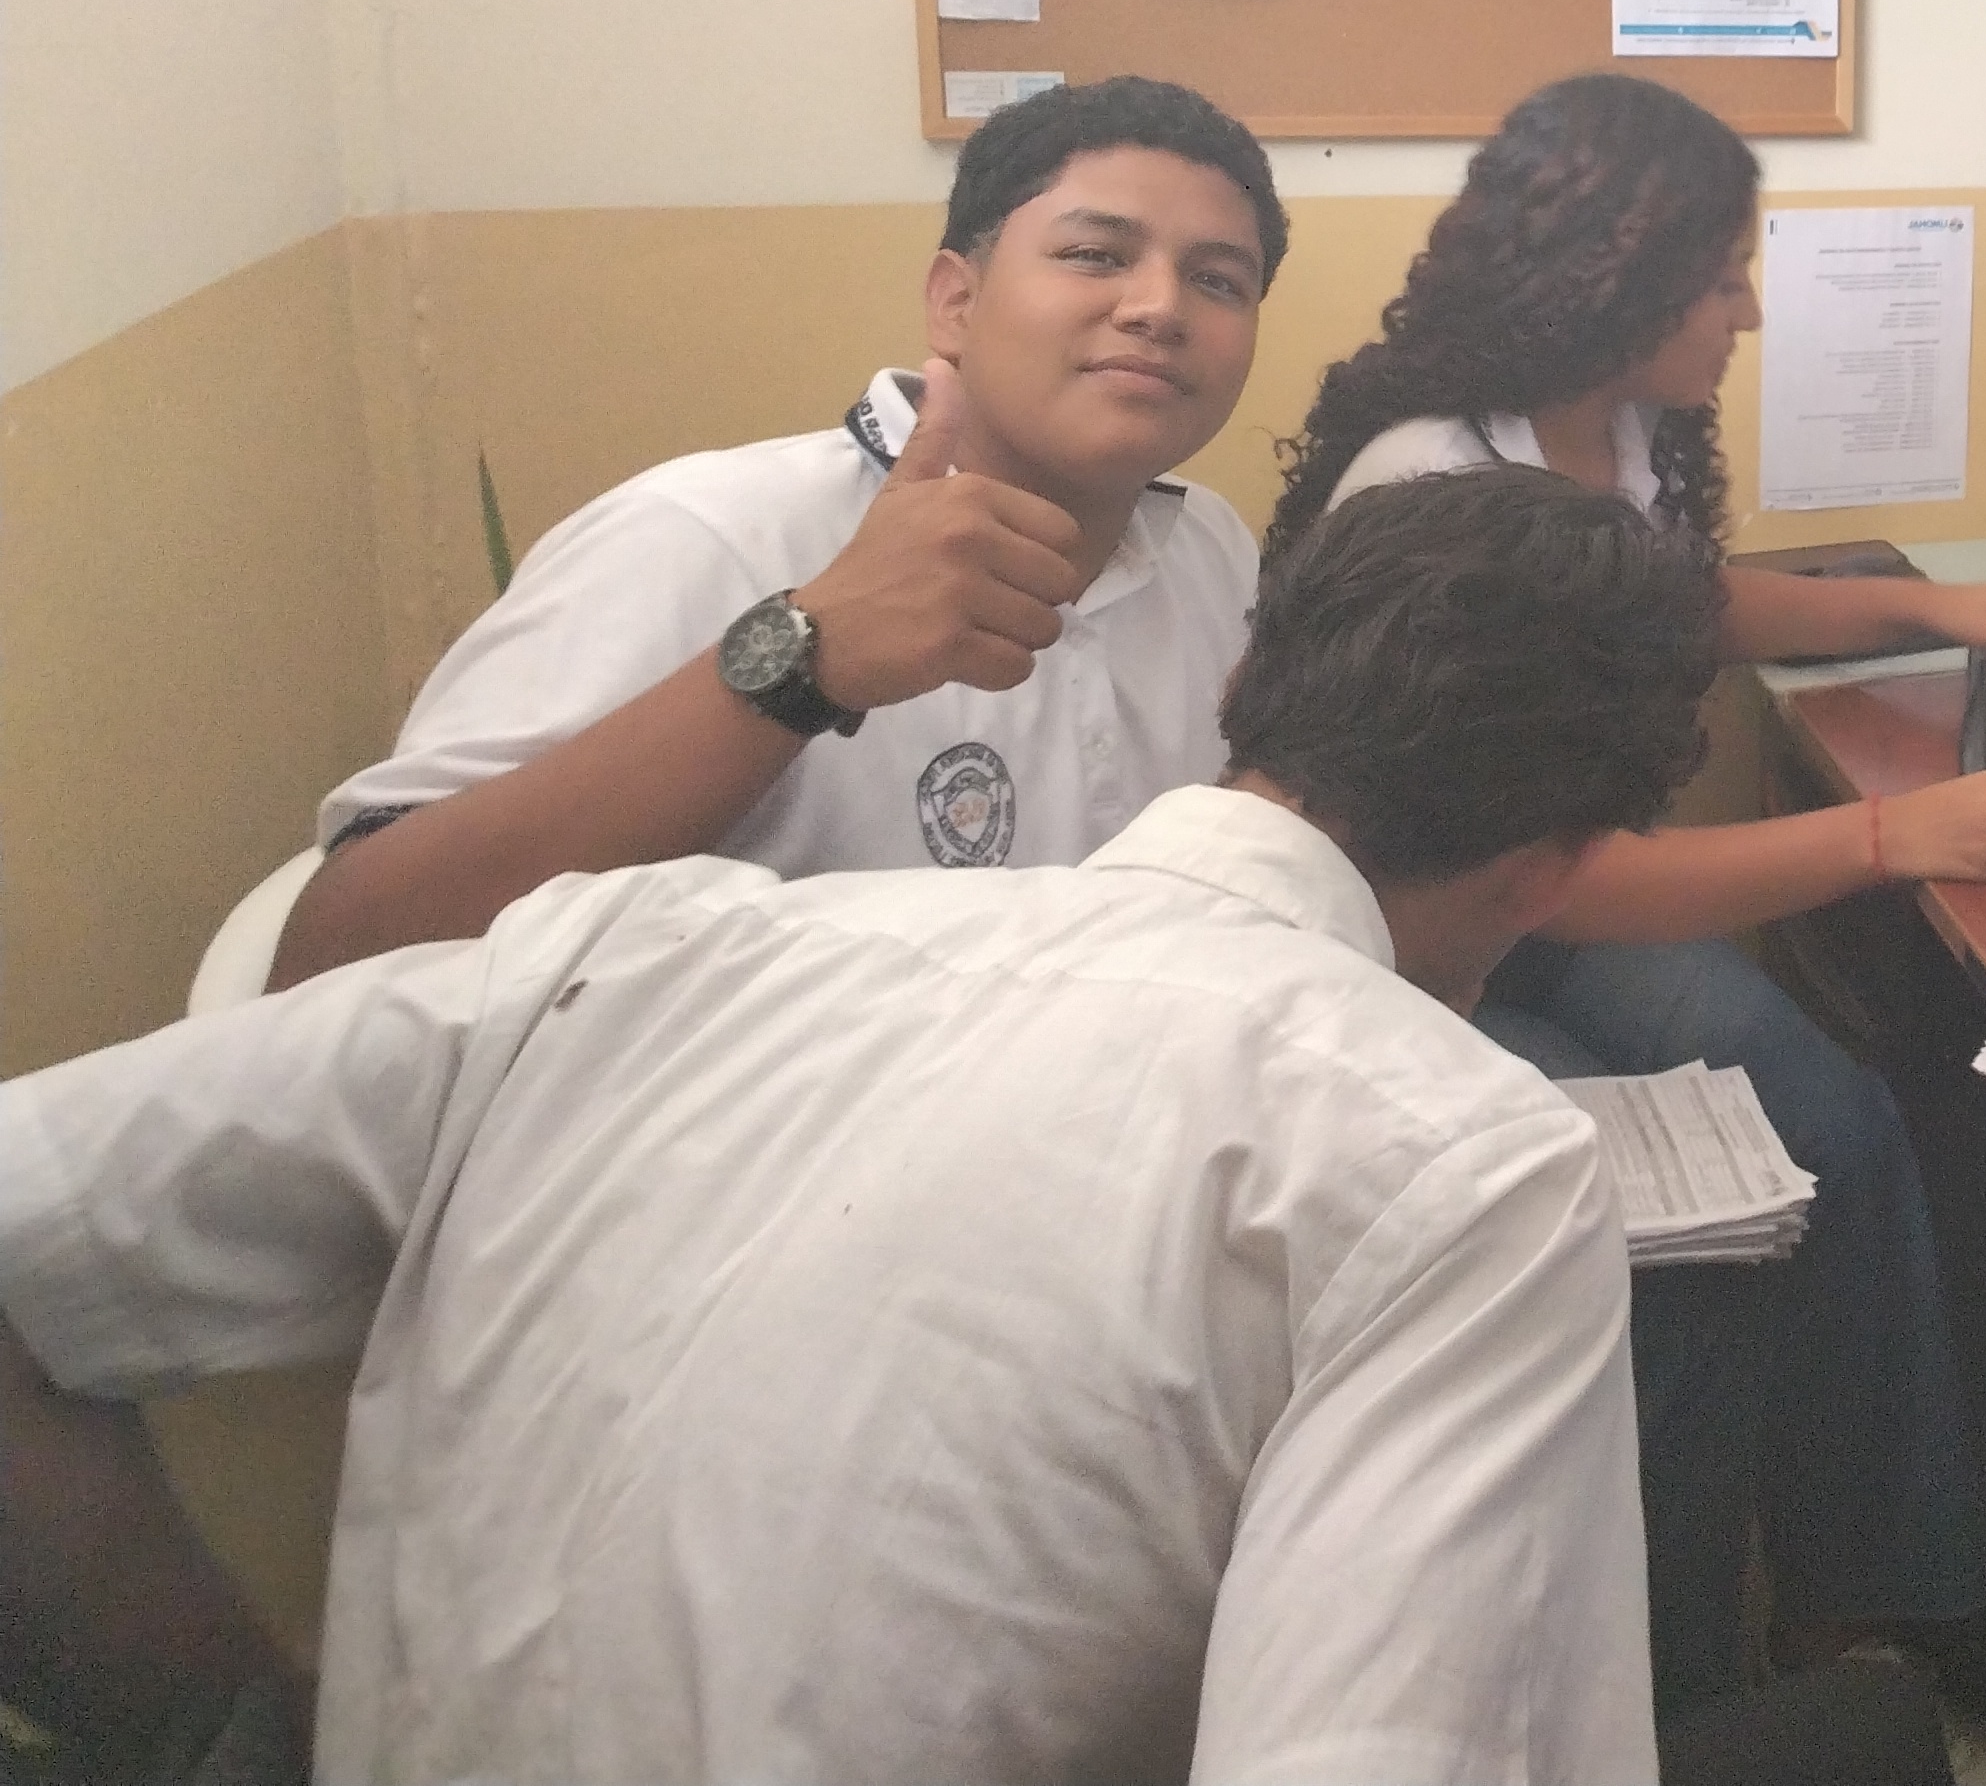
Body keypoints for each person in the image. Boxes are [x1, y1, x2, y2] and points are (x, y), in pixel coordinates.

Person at [0, 465, 1712, 1786]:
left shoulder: (617, 949)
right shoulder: (1464, 1171)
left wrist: (224, 1729)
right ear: (1562, 863)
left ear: (1247, 680)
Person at [1268, 72, 1986, 1704]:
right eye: (1722, 280)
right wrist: (1894, 837)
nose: (1751, 314)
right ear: (1615, 280)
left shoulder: (1608, 417)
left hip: (1542, 910)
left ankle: (1864, 1603)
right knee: (1670, 1250)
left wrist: (1930, 607)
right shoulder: (1435, 476)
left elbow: (1683, 601)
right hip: (1416, 959)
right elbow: (1562, 887)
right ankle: (1685, 1694)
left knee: (1838, 1125)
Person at [271, 76, 1285, 987]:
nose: (1159, 307)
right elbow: (336, 950)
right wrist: (803, 658)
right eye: (1095, 256)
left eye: (1217, 281)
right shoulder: (705, 535)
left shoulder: (1211, 553)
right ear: (956, 302)